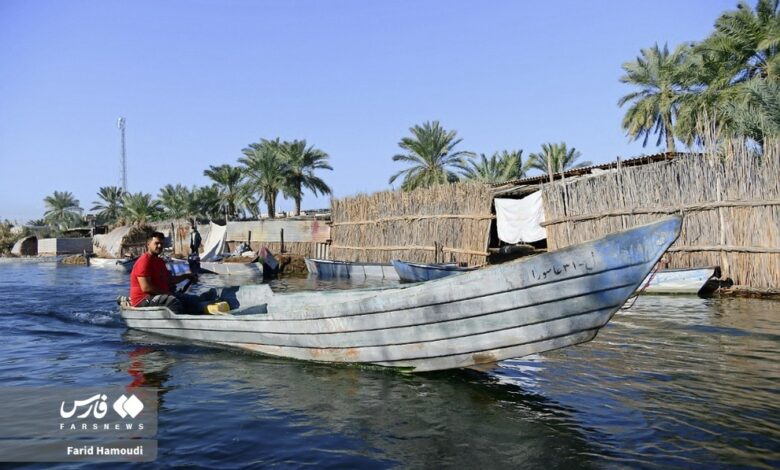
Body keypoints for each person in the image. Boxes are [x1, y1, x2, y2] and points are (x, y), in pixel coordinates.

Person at [130, 232, 201, 314]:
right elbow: (146, 288)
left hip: (160, 295)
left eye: (161, 244)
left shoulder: (160, 261)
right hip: (142, 300)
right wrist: (168, 293)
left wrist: (187, 276)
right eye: (156, 243)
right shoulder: (144, 261)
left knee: (193, 300)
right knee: (173, 302)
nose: (160, 246)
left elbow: (169, 280)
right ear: (148, 244)